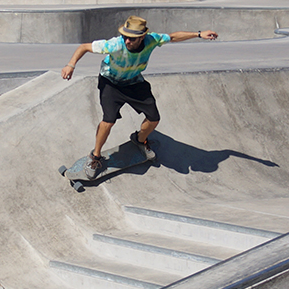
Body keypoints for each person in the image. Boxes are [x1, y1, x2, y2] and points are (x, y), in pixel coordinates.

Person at [62, 15, 218, 178]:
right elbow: (84, 47)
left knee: (154, 118)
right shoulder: (114, 44)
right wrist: (70, 65)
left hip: (134, 82)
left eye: (132, 39)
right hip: (110, 83)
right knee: (108, 121)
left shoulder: (152, 40)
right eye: (125, 37)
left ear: (142, 37)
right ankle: (94, 156)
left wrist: (199, 34)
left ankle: (139, 139)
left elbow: (172, 37)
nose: (127, 41)